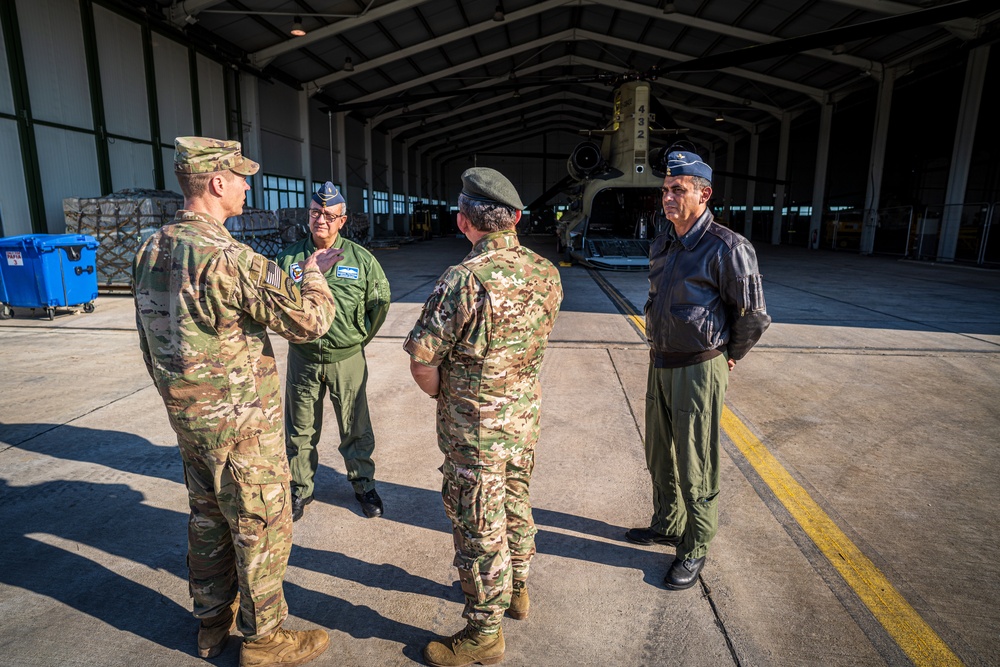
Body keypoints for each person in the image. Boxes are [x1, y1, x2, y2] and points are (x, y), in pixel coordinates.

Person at [133, 136, 343, 666]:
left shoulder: (150, 248)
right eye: (241, 177)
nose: (248, 186)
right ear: (217, 183)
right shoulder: (231, 258)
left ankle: (211, 623)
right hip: (242, 427)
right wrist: (316, 270)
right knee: (260, 527)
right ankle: (265, 639)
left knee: (207, 520)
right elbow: (310, 322)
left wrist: (182, 402)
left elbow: (147, 340)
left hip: (190, 423)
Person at [404, 167, 563, 667]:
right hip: (522, 422)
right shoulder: (546, 272)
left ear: (463, 221)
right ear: (514, 218)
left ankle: (483, 634)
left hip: (475, 432)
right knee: (515, 502)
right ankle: (518, 588)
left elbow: (423, 361)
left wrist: (447, 398)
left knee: (478, 525)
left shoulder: (463, 280)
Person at [627, 150, 770, 590]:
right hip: (661, 361)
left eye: (678, 189)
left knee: (695, 461)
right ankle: (668, 522)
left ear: (704, 193)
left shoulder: (728, 247)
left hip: (699, 367)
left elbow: (752, 315)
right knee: (658, 452)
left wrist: (729, 354)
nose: (668, 197)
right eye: (665, 189)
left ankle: (694, 545)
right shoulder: (664, 242)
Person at [276, 182, 391, 521]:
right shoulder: (288, 259)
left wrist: (355, 340)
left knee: (355, 425)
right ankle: (299, 488)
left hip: (347, 358)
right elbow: (274, 306)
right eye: (315, 213)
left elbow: (379, 305)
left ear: (343, 220)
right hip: (304, 358)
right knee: (299, 428)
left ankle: (364, 485)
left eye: (328, 215)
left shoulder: (363, 260)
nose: (320, 219)